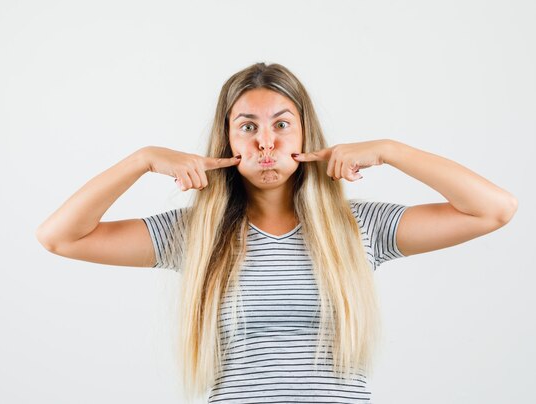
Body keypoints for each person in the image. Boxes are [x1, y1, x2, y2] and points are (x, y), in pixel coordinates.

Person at [36, 62, 518, 403]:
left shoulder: (358, 228)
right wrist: (141, 160)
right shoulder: (195, 234)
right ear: (228, 139)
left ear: (305, 135)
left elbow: (494, 210)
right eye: (248, 126)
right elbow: (61, 237)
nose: (266, 141)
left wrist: (390, 150)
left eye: (282, 124)